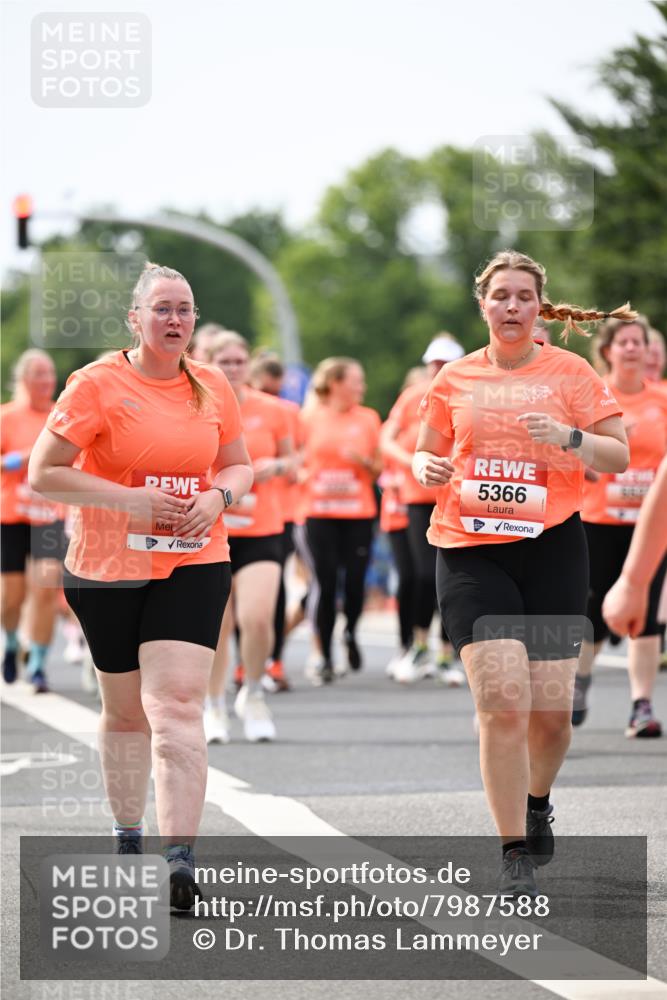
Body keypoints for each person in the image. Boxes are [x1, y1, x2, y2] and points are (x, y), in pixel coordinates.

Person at [28, 262, 253, 910]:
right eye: (161, 309)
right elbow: (46, 472)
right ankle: (129, 834)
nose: (175, 320)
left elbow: (239, 461)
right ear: (135, 319)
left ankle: (179, 858)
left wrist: (218, 496)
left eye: (184, 309)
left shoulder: (211, 385)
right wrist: (132, 501)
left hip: (195, 556)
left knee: (179, 706)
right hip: (105, 566)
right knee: (126, 714)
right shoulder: (96, 384)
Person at [413, 249, 631, 896]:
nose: (511, 306)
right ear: (481, 305)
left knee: (551, 716)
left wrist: (567, 438)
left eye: (523, 297)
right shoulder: (452, 378)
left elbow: (617, 455)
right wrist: (422, 470)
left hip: (550, 548)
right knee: (501, 703)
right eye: (499, 296)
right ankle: (511, 850)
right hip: (469, 548)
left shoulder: (569, 371)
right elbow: (425, 452)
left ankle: (538, 801)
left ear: (540, 307)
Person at [574, 316, 667, 736]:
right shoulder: (591, 397)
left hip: (652, 526)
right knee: (592, 608)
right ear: (607, 350)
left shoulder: (663, 399)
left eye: (639, 342)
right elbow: (566, 455)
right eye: (624, 342)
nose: (632, 349)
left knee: (645, 613)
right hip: (598, 520)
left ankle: (641, 706)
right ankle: (579, 682)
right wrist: (602, 448)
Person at [204, 332, 293, 743]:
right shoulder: (194, 406)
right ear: (207, 362)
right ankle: (214, 704)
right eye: (225, 361)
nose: (233, 368)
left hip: (262, 526)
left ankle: (254, 693)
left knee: (257, 618)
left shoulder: (274, 410)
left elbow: (295, 459)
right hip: (211, 527)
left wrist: (277, 465)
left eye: (240, 361)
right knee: (217, 623)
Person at [381, 336, 465, 685]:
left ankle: (447, 653)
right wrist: (413, 463)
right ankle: (418, 646)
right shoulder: (414, 395)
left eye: (445, 363)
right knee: (419, 575)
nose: (438, 369)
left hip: (457, 498)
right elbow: (387, 438)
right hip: (417, 498)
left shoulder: (470, 393)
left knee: (450, 578)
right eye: (434, 363)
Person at [301, 358, 382, 683]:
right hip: (318, 512)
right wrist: (303, 472)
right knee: (325, 581)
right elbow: (295, 458)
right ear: (335, 383)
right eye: (356, 381)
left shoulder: (368, 418)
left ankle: (350, 629)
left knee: (354, 582)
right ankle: (325, 657)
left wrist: (362, 462)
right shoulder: (307, 418)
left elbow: (378, 470)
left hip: (357, 512)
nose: (362, 387)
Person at [1, 349, 65, 692]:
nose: (46, 381)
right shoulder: (8, 417)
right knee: (12, 597)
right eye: (39, 374)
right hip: (12, 517)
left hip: (51, 517)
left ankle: (39, 663)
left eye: (50, 374)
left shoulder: (62, 415)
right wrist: (25, 458)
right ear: (24, 380)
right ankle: (11, 642)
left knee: (45, 592)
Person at [249, 351, 303, 692]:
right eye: (266, 390)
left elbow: (302, 455)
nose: (272, 397)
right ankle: (245, 663)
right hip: (235, 515)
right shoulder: (229, 407)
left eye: (277, 390)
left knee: (275, 588)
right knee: (239, 597)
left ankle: (275, 659)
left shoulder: (287, 412)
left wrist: (282, 467)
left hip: (279, 512)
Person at [602, 456, 667, 638]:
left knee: (648, 627)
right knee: (593, 617)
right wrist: (633, 583)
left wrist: (634, 583)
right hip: (602, 519)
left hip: (646, 524)